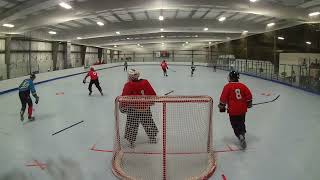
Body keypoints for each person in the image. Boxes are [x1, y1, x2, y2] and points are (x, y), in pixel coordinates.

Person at [120, 69, 158, 148]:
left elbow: (124, 97)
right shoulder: (145, 82)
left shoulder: (128, 85)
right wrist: (151, 102)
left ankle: (131, 141)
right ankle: (152, 137)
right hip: (145, 108)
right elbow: (152, 94)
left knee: (131, 124)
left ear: (130, 77)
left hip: (133, 109)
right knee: (148, 122)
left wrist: (122, 106)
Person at [218, 71, 252, 149]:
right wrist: (249, 103)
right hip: (243, 109)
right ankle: (242, 134)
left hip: (233, 110)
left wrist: (222, 106)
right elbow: (249, 96)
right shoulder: (243, 86)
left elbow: (223, 98)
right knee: (241, 122)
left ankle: (239, 135)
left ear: (231, 77)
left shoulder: (227, 86)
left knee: (235, 124)